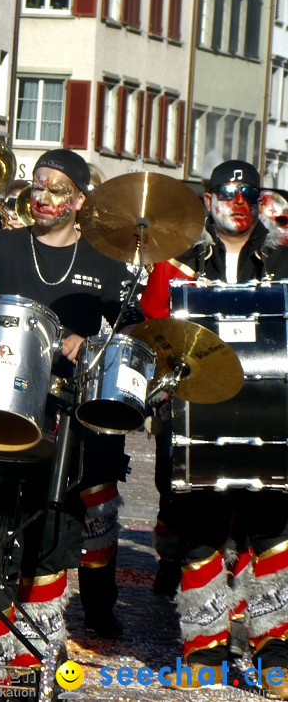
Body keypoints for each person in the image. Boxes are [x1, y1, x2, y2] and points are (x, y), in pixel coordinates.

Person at [0, 149, 134, 675]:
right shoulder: (3, 242)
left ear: (79, 201)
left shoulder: (102, 260)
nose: (42, 198)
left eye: (56, 190)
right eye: (38, 186)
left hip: (64, 417)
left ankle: (33, 646)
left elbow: (130, 331)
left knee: (48, 532)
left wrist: (87, 337)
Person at [141, 161, 288, 693]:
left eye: (248, 194)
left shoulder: (282, 258)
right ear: (207, 200)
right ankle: (203, 645)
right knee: (200, 530)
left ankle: (276, 649)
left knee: (273, 530)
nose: (238, 204)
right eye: (228, 194)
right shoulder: (177, 257)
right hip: (194, 414)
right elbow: (154, 322)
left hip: (270, 413)